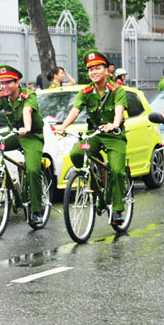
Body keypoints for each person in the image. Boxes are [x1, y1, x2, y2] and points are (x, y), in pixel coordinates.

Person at [56, 50, 127, 225]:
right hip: (94, 134)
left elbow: (119, 110)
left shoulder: (116, 90)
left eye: (97, 68)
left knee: (117, 170)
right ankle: (94, 182)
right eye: (90, 69)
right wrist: (64, 126)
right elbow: (75, 110)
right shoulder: (86, 91)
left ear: (106, 71)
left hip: (114, 135)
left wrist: (115, 124)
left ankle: (117, 209)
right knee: (76, 154)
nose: (93, 72)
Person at [0, 64, 45, 226]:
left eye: (8, 83)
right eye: (2, 83)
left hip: (32, 136)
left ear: (17, 82)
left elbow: (27, 111)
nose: (4, 86)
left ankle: (36, 210)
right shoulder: (2, 98)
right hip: (14, 134)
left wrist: (27, 127)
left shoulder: (28, 95)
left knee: (33, 169)